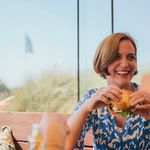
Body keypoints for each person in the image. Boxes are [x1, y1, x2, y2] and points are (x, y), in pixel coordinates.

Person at [66, 33, 150, 149]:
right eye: (116, 57)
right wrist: (85, 109)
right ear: (103, 61)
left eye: (131, 57)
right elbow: (65, 145)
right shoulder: (92, 97)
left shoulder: (146, 97)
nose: (125, 64)